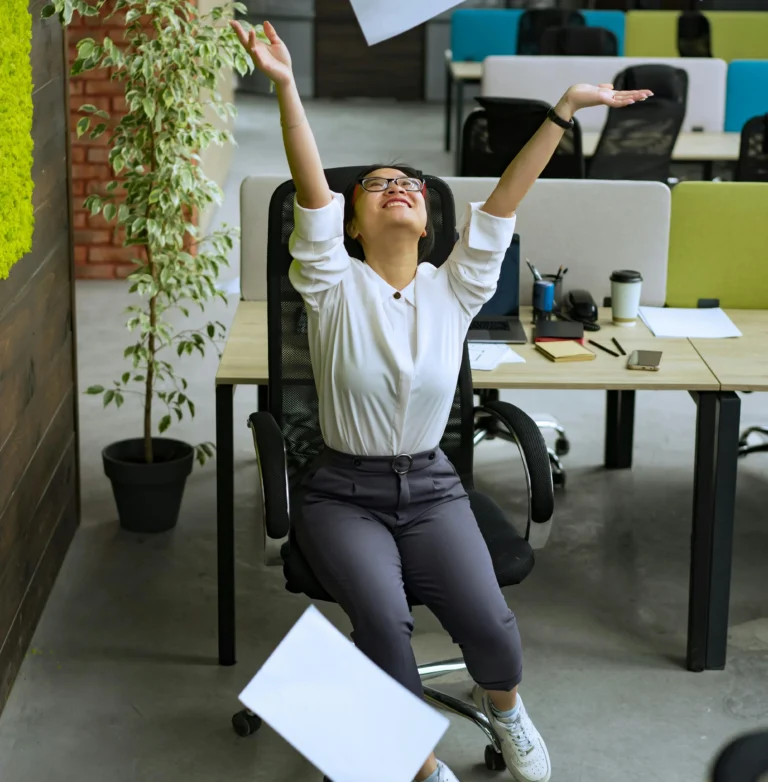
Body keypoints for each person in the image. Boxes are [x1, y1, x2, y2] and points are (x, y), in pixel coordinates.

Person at [231, 19, 651, 782]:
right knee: (384, 625)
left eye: (411, 186)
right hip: (342, 494)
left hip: (430, 488)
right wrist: (286, 86)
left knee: (491, 626)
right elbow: (309, 183)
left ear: (428, 226)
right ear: (351, 224)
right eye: (378, 187)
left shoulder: (454, 289)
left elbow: (503, 202)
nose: (399, 189)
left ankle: (507, 711)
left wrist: (564, 110)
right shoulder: (327, 281)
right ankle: (417, 767)